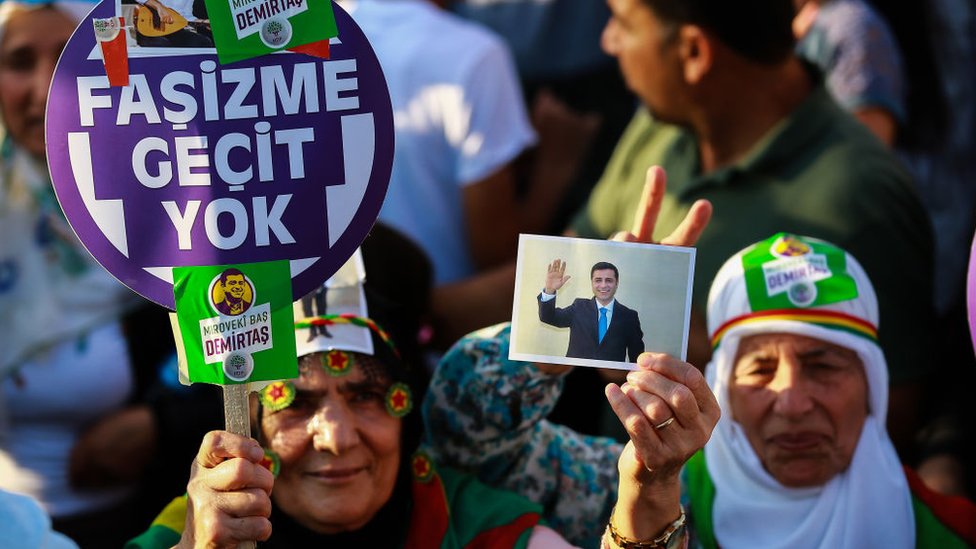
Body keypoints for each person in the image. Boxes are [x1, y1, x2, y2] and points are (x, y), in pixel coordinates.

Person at [425, 234, 976, 548]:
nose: (792, 400)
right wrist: (559, 347)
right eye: (758, 369)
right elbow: (467, 449)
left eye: (824, 365)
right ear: (721, 384)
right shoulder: (649, 486)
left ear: (874, 386)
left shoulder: (950, 531)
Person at [567, 0, 933, 452]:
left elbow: (890, 423)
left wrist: (690, 347)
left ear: (695, 52)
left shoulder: (859, 198)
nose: (608, 40)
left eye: (622, 22)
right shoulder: (659, 124)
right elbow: (564, 263)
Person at [126, 231, 579, 549]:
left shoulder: (473, 525)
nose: (337, 438)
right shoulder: (190, 529)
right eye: (296, 403)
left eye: (367, 397)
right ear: (252, 426)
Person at [0, 4, 223, 545]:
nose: (43, 89)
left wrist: (162, 425)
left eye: (69, 59)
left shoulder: (183, 203)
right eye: (19, 61)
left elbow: (246, 362)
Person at [337, 0, 536, 347]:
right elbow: (497, 256)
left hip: (321, 343)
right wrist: (556, 171)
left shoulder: (290, 42)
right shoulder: (473, 54)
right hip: (443, 348)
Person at [538, 260, 644, 362]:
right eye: (598, 280)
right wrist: (549, 289)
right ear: (592, 283)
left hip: (611, 379)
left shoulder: (629, 317)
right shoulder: (579, 307)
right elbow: (548, 317)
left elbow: (637, 358)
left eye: (609, 280)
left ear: (617, 283)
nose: (603, 285)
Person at [130, 0, 213, 48]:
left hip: (174, 29)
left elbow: (185, 17)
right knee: (162, 44)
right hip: (150, 27)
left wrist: (202, 22)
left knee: (203, 42)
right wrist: (158, 6)